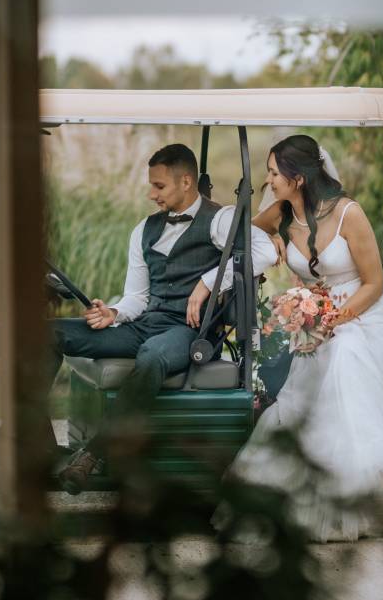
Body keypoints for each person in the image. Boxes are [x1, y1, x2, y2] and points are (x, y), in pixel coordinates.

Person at [221, 134, 383, 541]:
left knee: (346, 353)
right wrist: (269, 241)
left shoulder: (348, 214)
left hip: (368, 311)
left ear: (300, 178)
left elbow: (375, 282)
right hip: (317, 316)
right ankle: (322, 489)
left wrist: (333, 320)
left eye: (275, 173)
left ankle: (382, 466)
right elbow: (236, 234)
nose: (269, 181)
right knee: (307, 386)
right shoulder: (281, 213)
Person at [56, 143, 277, 493]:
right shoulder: (143, 229)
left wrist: (207, 283)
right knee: (52, 333)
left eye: (159, 186)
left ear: (186, 181)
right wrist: (113, 313)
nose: (151, 194)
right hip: (144, 324)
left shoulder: (219, 220)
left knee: (153, 355)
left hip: (188, 331)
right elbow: (137, 297)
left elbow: (265, 251)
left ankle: (94, 454)